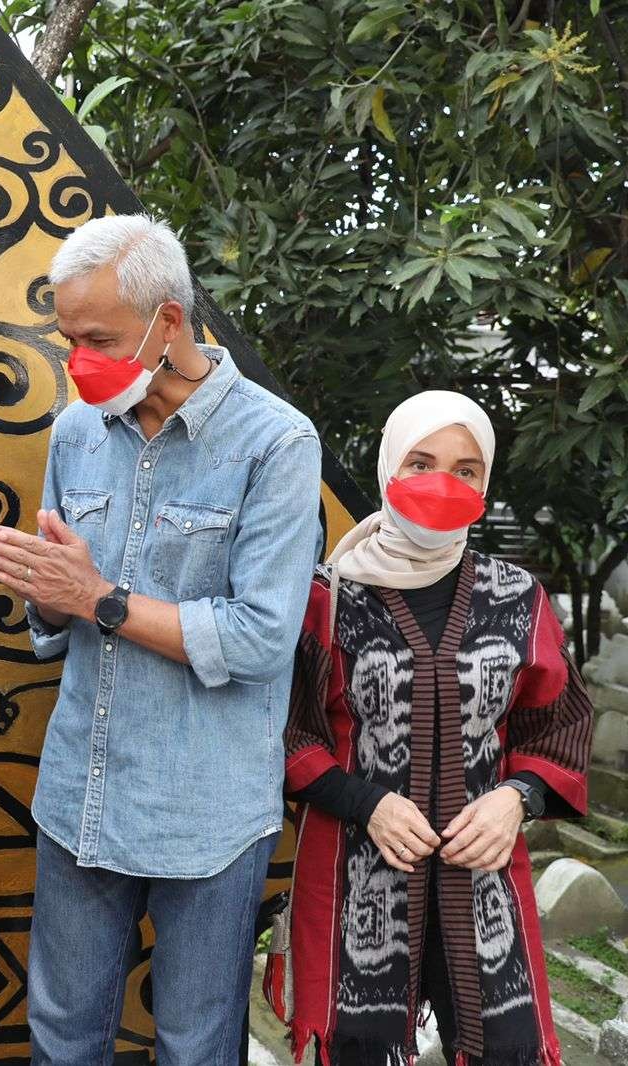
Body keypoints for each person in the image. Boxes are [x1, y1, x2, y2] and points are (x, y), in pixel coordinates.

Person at [0, 214, 323, 1064]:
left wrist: (98, 599)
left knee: (196, 1045)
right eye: (67, 339)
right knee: (60, 1036)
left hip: (208, 813)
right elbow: (60, 620)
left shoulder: (276, 443)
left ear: (169, 323)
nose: (77, 359)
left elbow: (264, 637)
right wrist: (46, 596)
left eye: (98, 338)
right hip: (80, 799)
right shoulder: (75, 432)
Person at [281, 392, 590, 1066]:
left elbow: (558, 723)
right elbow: (288, 734)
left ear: (486, 482)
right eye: (420, 462)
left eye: (465, 469)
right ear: (389, 465)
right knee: (362, 1049)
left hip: (482, 884)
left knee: (506, 1047)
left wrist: (517, 799)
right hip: (355, 876)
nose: (442, 483)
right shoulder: (326, 597)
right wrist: (367, 803)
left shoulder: (517, 598)